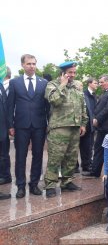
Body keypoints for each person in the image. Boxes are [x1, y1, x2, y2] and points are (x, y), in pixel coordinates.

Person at [7, 54, 49, 198]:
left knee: (38, 155)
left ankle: (34, 184)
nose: (32, 66)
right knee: (20, 156)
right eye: (29, 63)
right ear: (23, 65)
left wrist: (49, 124)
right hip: (21, 125)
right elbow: (10, 105)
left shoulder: (44, 83)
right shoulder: (15, 82)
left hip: (39, 125)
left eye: (34, 63)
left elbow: (48, 106)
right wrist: (10, 125)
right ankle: (20, 186)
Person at [44, 61, 88, 198]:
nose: (73, 75)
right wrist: (62, 84)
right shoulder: (52, 84)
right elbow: (54, 100)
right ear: (63, 73)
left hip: (75, 126)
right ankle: (50, 185)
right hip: (59, 127)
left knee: (71, 157)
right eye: (70, 72)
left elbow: (82, 106)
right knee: (55, 157)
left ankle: (66, 181)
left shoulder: (76, 86)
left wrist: (83, 123)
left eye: (74, 72)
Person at [83, 74, 108, 177]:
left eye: (102, 82)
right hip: (102, 127)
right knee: (98, 148)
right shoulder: (105, 92)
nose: (100, 84)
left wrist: (97, 119)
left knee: (107, 150)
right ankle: (95, 171)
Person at [78, 77, 98, 172]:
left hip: (91, 124)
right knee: (85, 146)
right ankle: (85, 164)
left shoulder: (93, 95)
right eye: (95, 83)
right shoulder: (85, 94)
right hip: (85, 124)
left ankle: (87, 163)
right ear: (89, 83)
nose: (97, 84)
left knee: (89, 146)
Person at [0, 82, 11, 199]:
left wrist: (9, 126)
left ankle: (5, 176)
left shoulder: (1, 86)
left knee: (3, 155)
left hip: (2, 129)